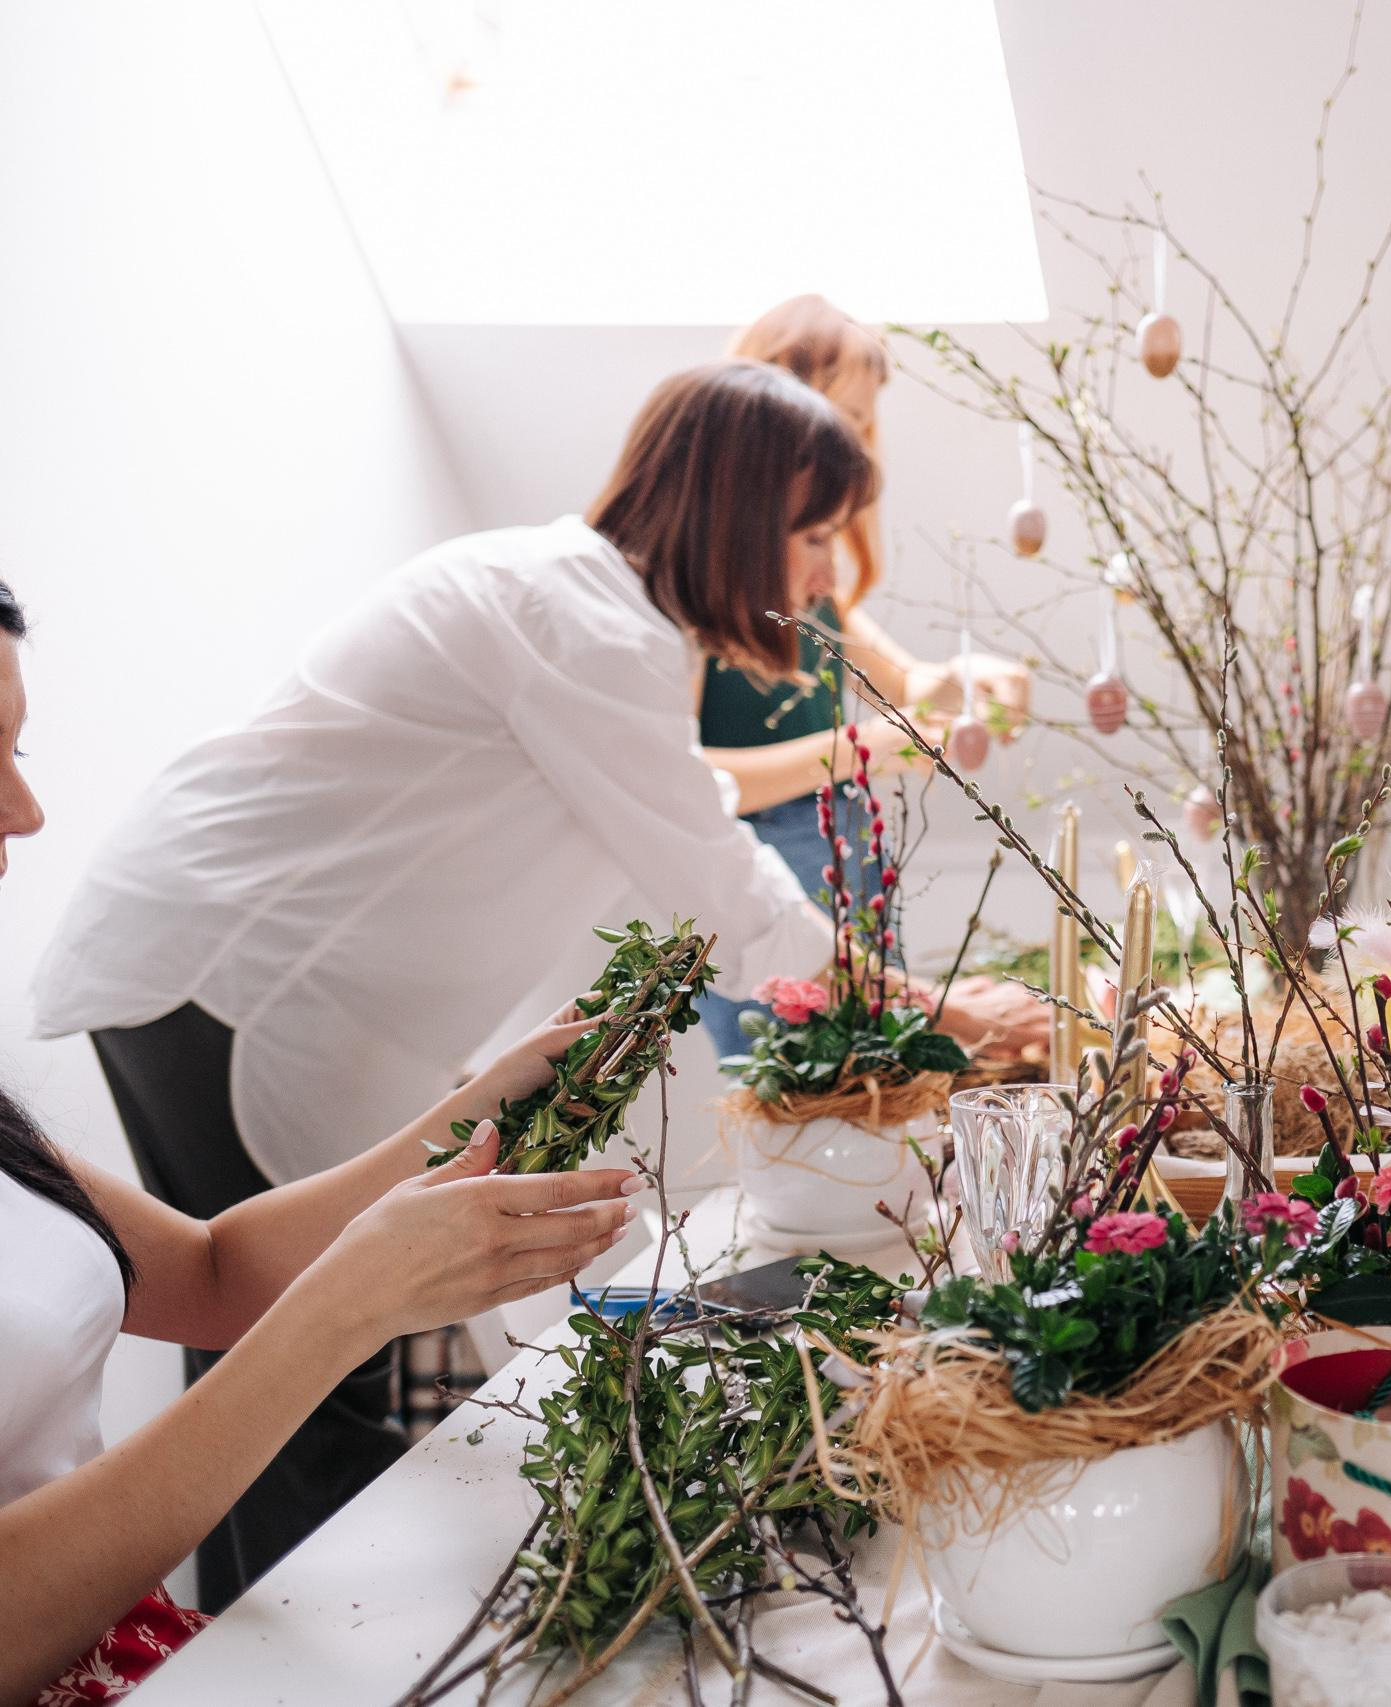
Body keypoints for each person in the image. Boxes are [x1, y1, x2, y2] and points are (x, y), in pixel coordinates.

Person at [28, 359, 1040, 1605]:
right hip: (230, 981)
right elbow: (726, 898)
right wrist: (942, 1012)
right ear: (731, 508)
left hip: (215, 966)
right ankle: (276, 1665)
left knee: (284, 1360)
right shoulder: (581, 623)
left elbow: (664, 850)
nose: (830, 574)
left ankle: (261, 1648)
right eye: (815, 532)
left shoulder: (586, 616)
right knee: (301, 1367)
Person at [0, 576, 638, 1702]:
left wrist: (479, 1112)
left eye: (22, 750)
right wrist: (344, 1314)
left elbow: (208, 1273)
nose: (28, 813)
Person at [696, 295, 1036, 1064]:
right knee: (801, 1083)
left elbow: (909, 681)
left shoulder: (808, 576)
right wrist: (868, 746)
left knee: (875, 1072)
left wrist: (969, 679)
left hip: (845, 850)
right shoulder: (701, 590)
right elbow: (697, 783)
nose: (853, 445)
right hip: (756, 875)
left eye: (861, 423)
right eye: (840, 416)